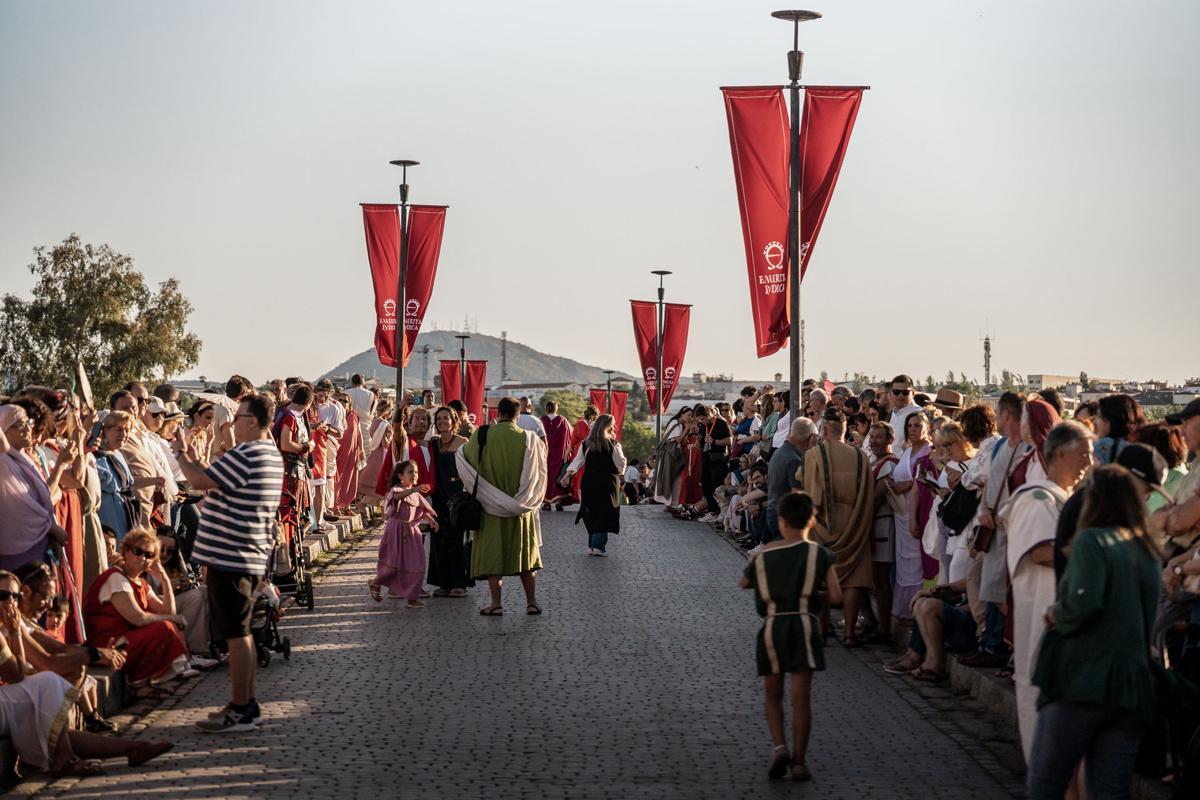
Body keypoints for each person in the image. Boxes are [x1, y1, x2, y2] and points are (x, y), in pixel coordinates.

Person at [1027, 465, 1162, 800]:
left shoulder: (1092, 540)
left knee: (1047, 782)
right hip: (1131, 685)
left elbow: (1082, 605)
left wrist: (1054, 613)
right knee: (1109, 791)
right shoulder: (1147, 551)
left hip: (1084, 677)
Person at [1, 569, 174, 777]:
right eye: (3, 596)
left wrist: (98, 653)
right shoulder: (9, 627)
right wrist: (94, 655)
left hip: (10, 699)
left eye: (14, 596)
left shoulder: (14, 622)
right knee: (48, 681)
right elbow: (22, 674)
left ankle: (131, 748)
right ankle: (63, 759)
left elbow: (57, 649)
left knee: (63, 683)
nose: (10, 602)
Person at [179, 394, 283, 733]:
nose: (232, 423)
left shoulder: (248, 452)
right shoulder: (269, 454)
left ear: (251, 421)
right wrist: (196, 460)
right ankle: (244, 703)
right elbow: (214, 478)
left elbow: (198, 482)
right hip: (247, 554)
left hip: (231, 556)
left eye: (237, 417)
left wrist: (180, 452)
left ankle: (241, 709)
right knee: (243, 634)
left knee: (236, 635)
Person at [1000, 420, 1093, 762]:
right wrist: (1099, 558)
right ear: (1058, 454)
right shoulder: (1037, 498)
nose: (1089, 462)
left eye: (1091, 453)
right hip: (1041, 612)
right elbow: (1040, 551)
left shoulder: (1067, 499)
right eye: (1082, 453)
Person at [738, 491, 841, 782]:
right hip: (805, 626)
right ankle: (799, 762)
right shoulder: (821, 554)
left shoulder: (766, 553)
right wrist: (810, 593)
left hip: (773, 626)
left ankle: (779, 746)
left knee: (772, 694)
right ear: (811, 521)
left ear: (782, 522)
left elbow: (744, 582)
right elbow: (835, 595)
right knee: (801, 699)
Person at [457, 397, 548, 616]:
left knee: (493, 556)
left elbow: (463, 458)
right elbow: (540, 470)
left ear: (498, 413)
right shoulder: (530, 439)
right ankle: (531, 603)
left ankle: (496, 604)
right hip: (521, 509)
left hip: (490, 508)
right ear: (518, 415)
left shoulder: (483, 434)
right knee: (526, 557)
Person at [963, 391, 1030, 669]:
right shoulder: (1002, 445)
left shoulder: (1028, 448)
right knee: (990, 587)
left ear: (1005, 415)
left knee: (1001, 591)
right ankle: (991, 643)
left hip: (1011, 526)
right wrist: (984, 511)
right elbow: (991, 479)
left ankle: (1003, 646)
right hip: (992, 525)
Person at [82, 529, 190, 688]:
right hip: (107, 644)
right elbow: (138, 618)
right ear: (126, 551)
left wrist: (165, 580)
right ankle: (139, 682)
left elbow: (168, 612)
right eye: (138, 551)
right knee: (165, 627)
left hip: (126, 640)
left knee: (170, 626)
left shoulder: (142, 583)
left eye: (149, 555)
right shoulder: (116, 577)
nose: (143, 558)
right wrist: (172, 619)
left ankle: (144, 681)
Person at [801, 409, 873, 646]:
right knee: (853, 579)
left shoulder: (814, 455)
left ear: (823, 430)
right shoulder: (861, 457)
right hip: (854, 523)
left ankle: (822, 629)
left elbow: (807, 488)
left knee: (821, 577)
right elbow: (867, 495)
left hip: (823, 523)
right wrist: (859, 522)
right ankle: (850, 633)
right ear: (846, 429)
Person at [369, 460, 438, 607]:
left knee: (416, 564)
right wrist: (414, 490)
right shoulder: (397, 490)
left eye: (416, 472)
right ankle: (376, 582)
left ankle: (412, 597)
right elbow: (396, 497)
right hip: (396, 531)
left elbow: (421, 511)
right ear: (401, 476)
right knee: (394, 564)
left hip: (412, 533)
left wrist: (431, 520)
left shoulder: (416, 494)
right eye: (410, 472)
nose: (414, 475)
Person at [886, 411, 933, 622]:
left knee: (917, 561)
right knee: (903, 561)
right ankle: (904, 608)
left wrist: (908, 485)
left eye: (917, 425)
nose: (913, 430)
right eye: (910, 426)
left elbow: (924, 482)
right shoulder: (906, 451)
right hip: (901, 513)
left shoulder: (929, 452)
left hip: (918, 513)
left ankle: (916, 606)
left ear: (926, 428)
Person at [565, 414, 627, 556]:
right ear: (608, 426)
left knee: (591, 512)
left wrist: (566, 476)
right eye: (614, 424)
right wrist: (621, 473)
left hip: (589, 481)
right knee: (604, 512)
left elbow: (577, 462)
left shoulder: (586, 443)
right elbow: (620, 464)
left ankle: (592, 544)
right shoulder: (614, 444)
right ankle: (598, 545)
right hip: (607, 482)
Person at [426, 406, 472, 597]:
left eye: (446, 418)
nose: (443, 421)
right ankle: (443, 583)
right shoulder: (433, 444)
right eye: (439, 419)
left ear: (454, 421)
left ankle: (459, 583)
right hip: (438, 498)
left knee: (458, 541)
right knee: (439, 540)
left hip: (458, 497)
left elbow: (471, 470)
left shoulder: (463, 442)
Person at [867, 422, 899, 642]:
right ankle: (873, 621)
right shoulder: (873, 462)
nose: (874, 440)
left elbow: (876, 498)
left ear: (890, 440)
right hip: (873, 522)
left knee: (880, 578)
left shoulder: (890, 465)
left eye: (879, 437)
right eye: (872, 436)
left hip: (881, 524)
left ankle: (884, 628)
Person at [765, 418, 818, 541]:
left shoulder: (780, 452)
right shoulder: (794, 460)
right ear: (811, 438)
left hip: (775, 513)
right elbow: (797, 497)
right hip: (786, 519)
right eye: (816, 439)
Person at [1093, 393, 1144, 465]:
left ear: (1109, 420)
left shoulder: (1100, 447)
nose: (1094, 422)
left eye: (1099, 416)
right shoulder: (1145, 449)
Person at [540, 400, 573, 509]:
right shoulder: (563, 421)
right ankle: (558, 500)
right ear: (556, 409)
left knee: (546, 477)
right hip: (560, 456)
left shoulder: (541, 421)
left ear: (546, 409)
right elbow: (571, 437)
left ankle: (546, 503)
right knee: (558, 476)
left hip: (545, 456)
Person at [888, 375, 923, 450]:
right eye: (896, 392)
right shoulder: (893, 413)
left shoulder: (920, 413)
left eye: (905, 392)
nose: (900, 395)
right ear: (890, 393)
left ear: (913, 393)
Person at [346, 373, 376, 444]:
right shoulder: (371, 394)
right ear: (363, 383)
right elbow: (373, 412)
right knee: (366, 451)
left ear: (352, 382)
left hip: (349, 425)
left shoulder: (346, 393)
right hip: (366, 426)